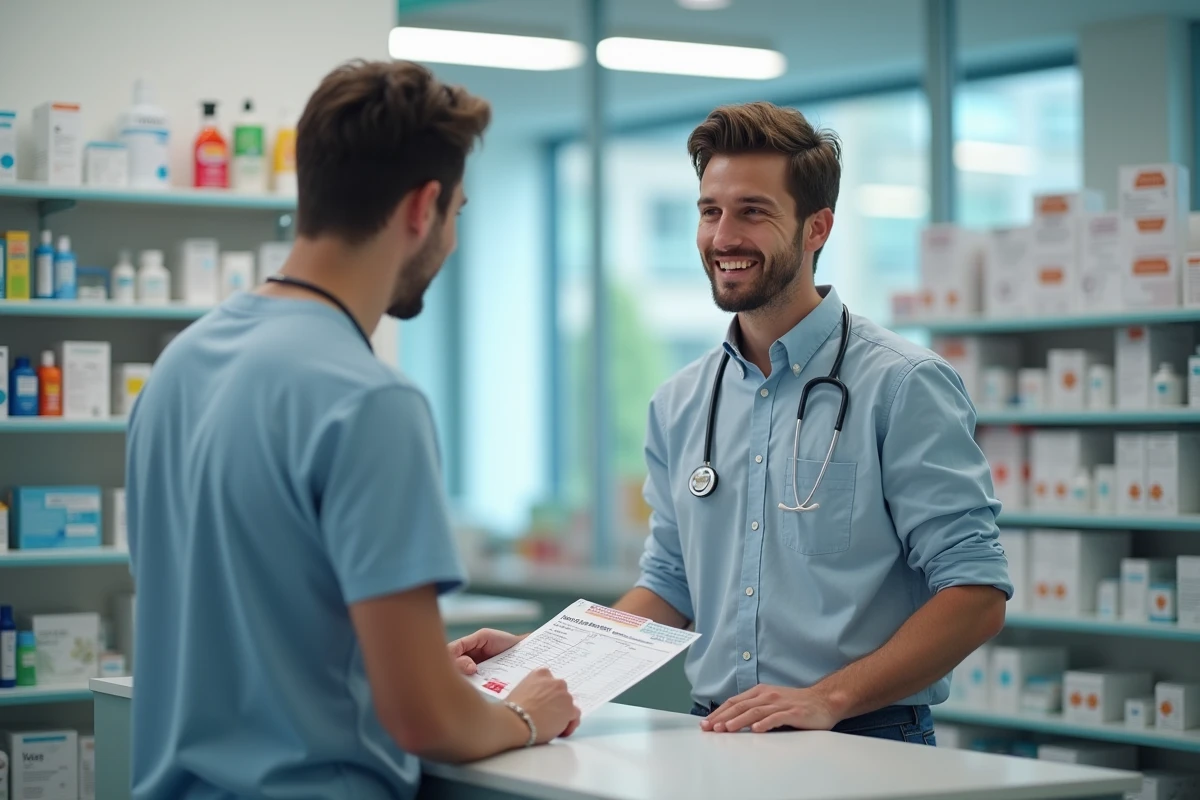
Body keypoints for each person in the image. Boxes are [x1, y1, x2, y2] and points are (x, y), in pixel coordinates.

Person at [451, 101, 1011, 745]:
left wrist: (828, 698)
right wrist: (540, 659)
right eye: (709, 211)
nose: (722, 238)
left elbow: (976, 593)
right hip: (715, 734)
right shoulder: (680, 402)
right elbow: (668, 585)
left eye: (753, 211)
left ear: (816, 229)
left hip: (864, 736)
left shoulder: (902, 384)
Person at [125, 60, 579, 800]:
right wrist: (523, 716)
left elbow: (243, 622)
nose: (453, 238)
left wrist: (389, 664)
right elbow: (425, 721)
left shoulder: (182, 362)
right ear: (422, 207)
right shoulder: (368, 401)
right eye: (458, 212)